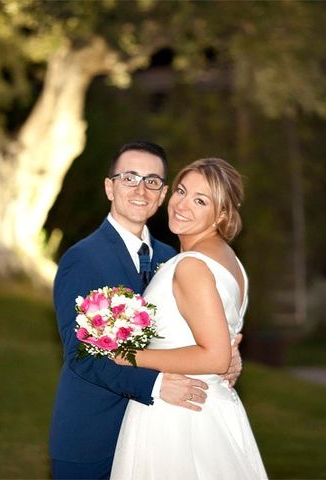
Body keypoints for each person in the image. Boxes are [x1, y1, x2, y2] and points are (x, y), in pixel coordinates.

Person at [50, 142, 242, 480]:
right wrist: (153, 384)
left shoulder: (173, 258)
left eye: (152, 181)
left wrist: (228, 350)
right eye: (129, 178)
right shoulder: (83, 259)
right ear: (110, 187)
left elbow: (195, 325)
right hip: (94, 435)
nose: (141, 190)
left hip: (159, 438)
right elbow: (80, 355)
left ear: (163, 192)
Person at [111, 157, 268, 479]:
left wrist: (129, 356)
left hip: (178, 418)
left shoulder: (191, 266)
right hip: (212, 408)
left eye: (200, 201)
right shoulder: (230, 262)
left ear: (222, 214)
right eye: (181, 191)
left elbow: (214, 355)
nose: (181, 205)